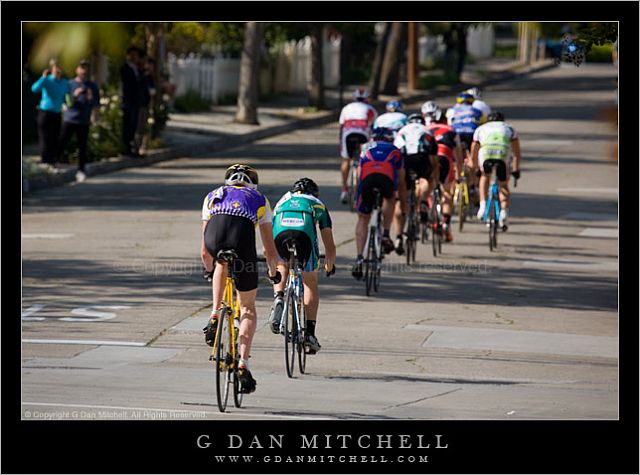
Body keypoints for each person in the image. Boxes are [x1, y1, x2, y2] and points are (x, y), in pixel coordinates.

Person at [200, 164, 281, 394]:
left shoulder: (212, 195)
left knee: (219, 263)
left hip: (216, 238)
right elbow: (269, 250)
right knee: (248, 308)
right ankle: (243, 362)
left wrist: (208, 270)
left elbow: (204, 252)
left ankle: (215, 312)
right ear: (252, 183)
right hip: (242, 240)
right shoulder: (260, 199)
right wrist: (273, 273)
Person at [268, 178, 337, 354]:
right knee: (310, 281)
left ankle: (279, 298)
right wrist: (329, 265)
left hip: (280, 234)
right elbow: (329, 245)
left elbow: (270, 227)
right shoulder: (317, 203)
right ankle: (309, 335)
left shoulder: (283, 200)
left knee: (282, 264)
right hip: (303, 237)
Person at [351, 127, 407, 279]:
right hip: (386, 179)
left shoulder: (365, 148)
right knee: (390, 197)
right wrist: (403, 202)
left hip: (367, 179)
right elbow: (401, 182)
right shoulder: (396, 150)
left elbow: (358, 175)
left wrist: (358, 196)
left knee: (363, 219)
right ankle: (386, 234)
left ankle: (359, 257)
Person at [392, 113, 438, 254]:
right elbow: (433, 160)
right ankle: (423, 201)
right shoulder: (427, 131)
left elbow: (395, 153)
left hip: (404, 158)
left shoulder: (401, 131)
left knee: (401, 200)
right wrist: (434, 177)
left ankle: (399, 236)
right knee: (426, 179)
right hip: (421, 157)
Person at [470, 111, 522, 230]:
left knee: (484, 177)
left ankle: (482, 206)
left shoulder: (481, 128)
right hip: (501, 153)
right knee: (503, 185)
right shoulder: (509, 128)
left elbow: (474, 150)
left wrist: (475, 167)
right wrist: (516, 169)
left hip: (486, 153)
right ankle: (504, 212)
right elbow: (517, 153)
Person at [56, 60, 100, 182]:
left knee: (82, 147)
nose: (83, 71)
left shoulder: (92, 86)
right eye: (81, 68)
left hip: (84, 120)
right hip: (70, 118)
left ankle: (81, 170)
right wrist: (74, 95)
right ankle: (53, 163)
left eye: (85, 68)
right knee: (62, 141)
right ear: (77, 70)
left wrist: (90, 98)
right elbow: (66, 102)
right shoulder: (69, 84)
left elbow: (96, 103)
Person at [426, 108, 465, 242]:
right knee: (447, 192)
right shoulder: (451, 130)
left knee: (429, 187)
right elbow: (459, 156)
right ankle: (446, 223)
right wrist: (459, 173)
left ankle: (429, 213)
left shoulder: (426, 128)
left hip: (430, 159)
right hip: (445, 156)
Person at [338, 88, 378, 204]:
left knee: (345, 160)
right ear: (366, 99)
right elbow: (374, 128)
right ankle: (359, 190)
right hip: (363, 134)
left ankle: (344, 189)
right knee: (363, 161)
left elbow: (341, 127)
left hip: (348, 134)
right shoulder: (370, 109)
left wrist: (340, 144)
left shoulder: (346, 108)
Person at [30, 59, 68, 166]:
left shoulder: (64, 82)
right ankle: (45, 161)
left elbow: (67, 96)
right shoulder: (47, 80)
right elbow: (34, 89)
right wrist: (43, 77)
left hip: (57, 113)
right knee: (45, 138)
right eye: (56, 68)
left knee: (55, 138)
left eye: (60, 68)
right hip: (45, 113)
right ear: (52, 69)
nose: (58, 70)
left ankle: (52, 161)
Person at [120, 46, 142, 157]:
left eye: (136, 55)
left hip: (136, 101)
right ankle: (126, 147)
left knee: (134, 124)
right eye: (132, 55)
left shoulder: (138, 69)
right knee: (128, 124)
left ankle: (133, 147)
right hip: (128, 100)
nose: (134, 57)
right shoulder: (125, 68)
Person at [135, 55, 156, 155]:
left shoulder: (149, 76)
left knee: (144, 126)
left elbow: (152, 90)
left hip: (146, 104)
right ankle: (138, 146)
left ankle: (143, 146)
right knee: (140, 126)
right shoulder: (143, 76)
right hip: (141, 104)